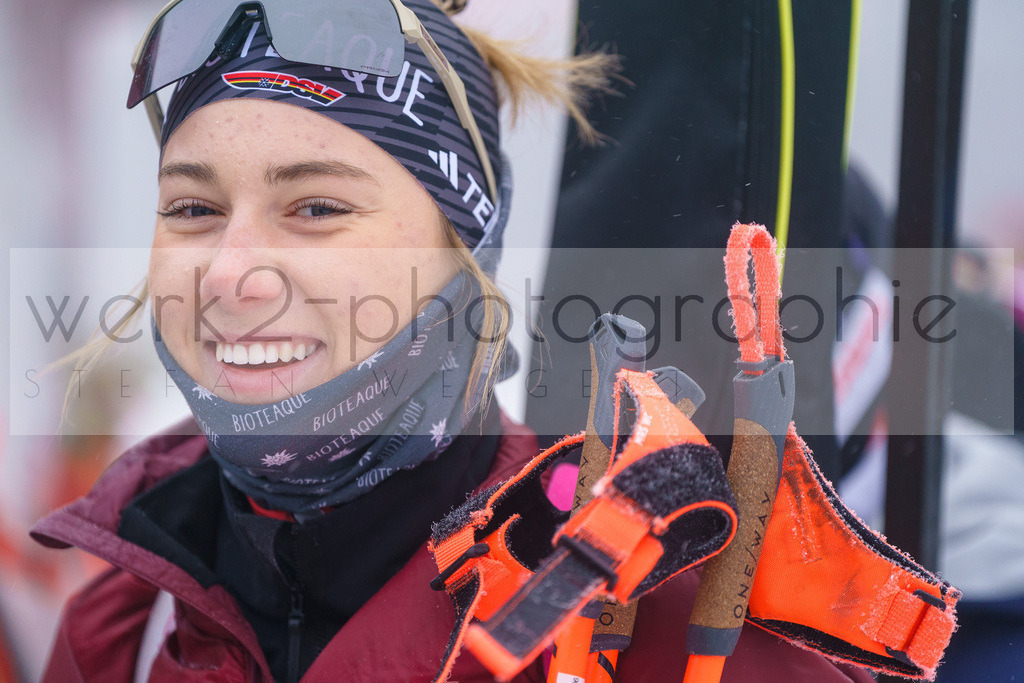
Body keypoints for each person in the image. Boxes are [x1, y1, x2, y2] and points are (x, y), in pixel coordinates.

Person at [31, 1, 875, 681]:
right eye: (192, 209)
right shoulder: (122, 629)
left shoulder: (666, 635)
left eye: (317, 207)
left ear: (465, 256)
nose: (229, 273)